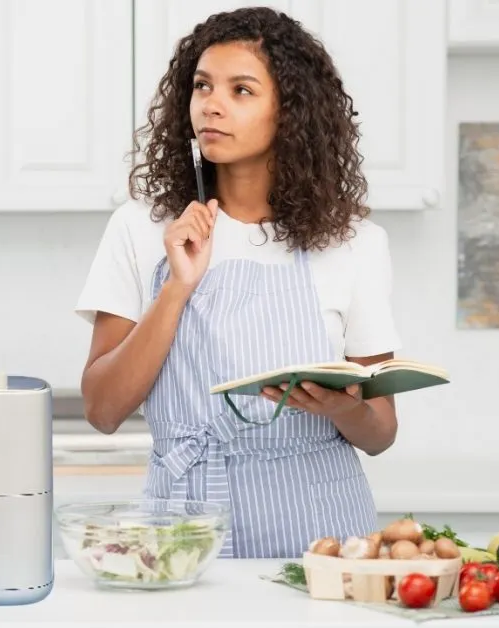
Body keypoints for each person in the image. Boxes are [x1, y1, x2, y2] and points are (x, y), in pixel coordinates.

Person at [74, 6, 402, 560]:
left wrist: (339, 407)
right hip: (184, 535)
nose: (212, 104)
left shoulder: (354, 243)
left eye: (241, 90)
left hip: (319, 538)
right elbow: (102, 410)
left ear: (291, 113)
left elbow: (382, 432)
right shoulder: (143, 226)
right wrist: (176, 287)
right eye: (202, 86)